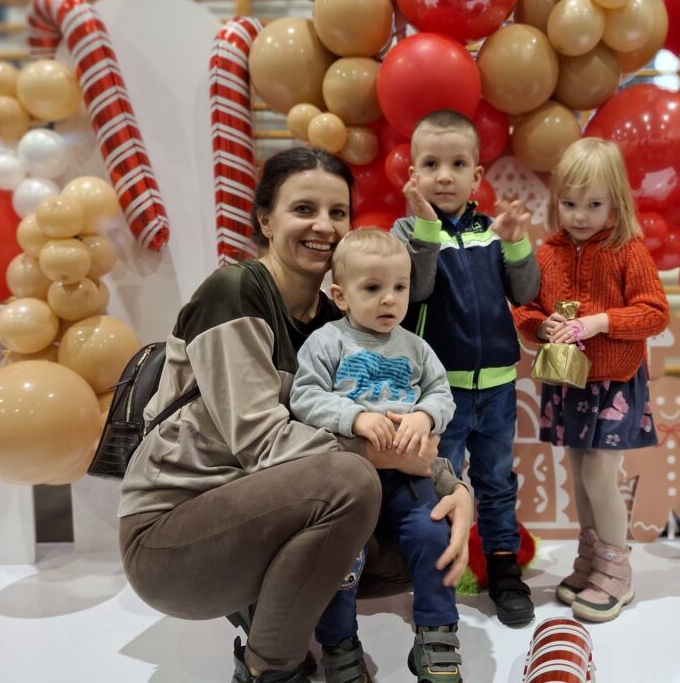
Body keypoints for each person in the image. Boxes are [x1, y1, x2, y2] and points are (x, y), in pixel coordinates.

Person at [117, 148, 472, 683]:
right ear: (265, 220)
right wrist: (395, 457)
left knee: (422, 522)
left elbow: (400, 411)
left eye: (338, 212)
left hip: (267, 511)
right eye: (304, 209)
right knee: (352, 479)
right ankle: (270, 667)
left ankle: (294, 620)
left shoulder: (339, 324)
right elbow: (261, 444)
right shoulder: (234, 293)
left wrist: (453, 485)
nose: (324, 226)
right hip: (173, 536)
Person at [290, 228, 463, 683]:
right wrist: (355, 417)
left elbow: (442, 394)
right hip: (347, 479)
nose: (390, 299)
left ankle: (436, 634)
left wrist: (424, 416)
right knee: (341, 555)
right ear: (340, 296)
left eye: (400, 287)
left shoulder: (416, 347)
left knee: (432, 536)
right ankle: (339, 644)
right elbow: (303, 397)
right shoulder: (327, 341)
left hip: (408, 478)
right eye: (372, 288)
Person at [392, 109, 540, 627]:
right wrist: (427, 229)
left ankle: (503, 568)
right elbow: (417, 289)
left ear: (477, 176)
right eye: (431, 164)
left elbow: (525, 292)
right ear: (413, 174)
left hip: (498, 388)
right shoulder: (406, 231)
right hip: (440, 395)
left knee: (497, 482)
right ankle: (440, 580)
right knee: (440, 485)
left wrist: (517, 240)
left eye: (457, 164)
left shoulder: (491, 233)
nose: (444, 176)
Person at [513, 137, 669, 623]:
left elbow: (655, 313)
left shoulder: (629, 251)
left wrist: (600, 322)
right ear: (556, 200)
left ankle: (618, 571)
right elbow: (525, 310)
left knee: (600, 472)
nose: (580, 216)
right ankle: (591, 560)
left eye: (594, 205)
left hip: (615, 382)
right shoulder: (547, 254)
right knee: (579, 472)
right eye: (570, 204)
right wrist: (542, 327)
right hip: (567, 382)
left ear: (616, 202)